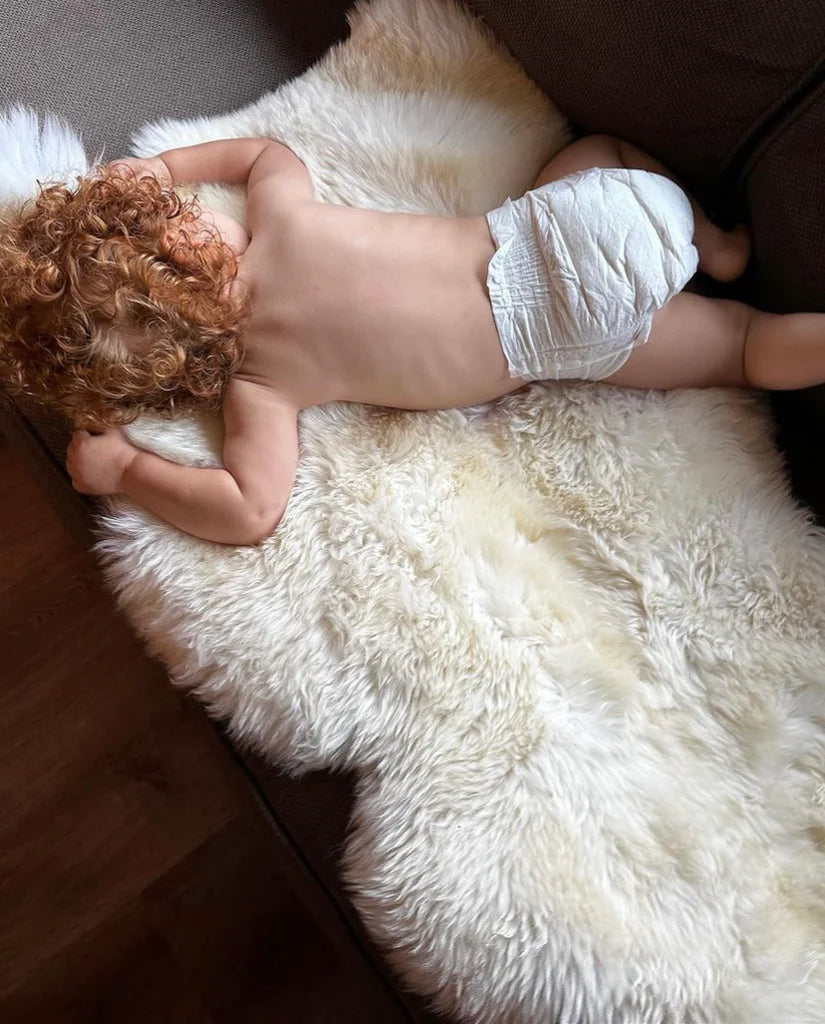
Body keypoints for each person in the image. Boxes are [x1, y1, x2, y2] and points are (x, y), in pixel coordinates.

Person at [1, 134, 822, 545]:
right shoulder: (283, 220)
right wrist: (163, 168)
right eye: (182, 218)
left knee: (745, 345)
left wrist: (126, 469)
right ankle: (713, 244)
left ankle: (730, 287)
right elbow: (265, 153)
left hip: (563, 328)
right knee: (590, 151)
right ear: (190, 248)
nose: (191, 209)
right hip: (580, 218)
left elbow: (251, 510)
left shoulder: (262, 387)